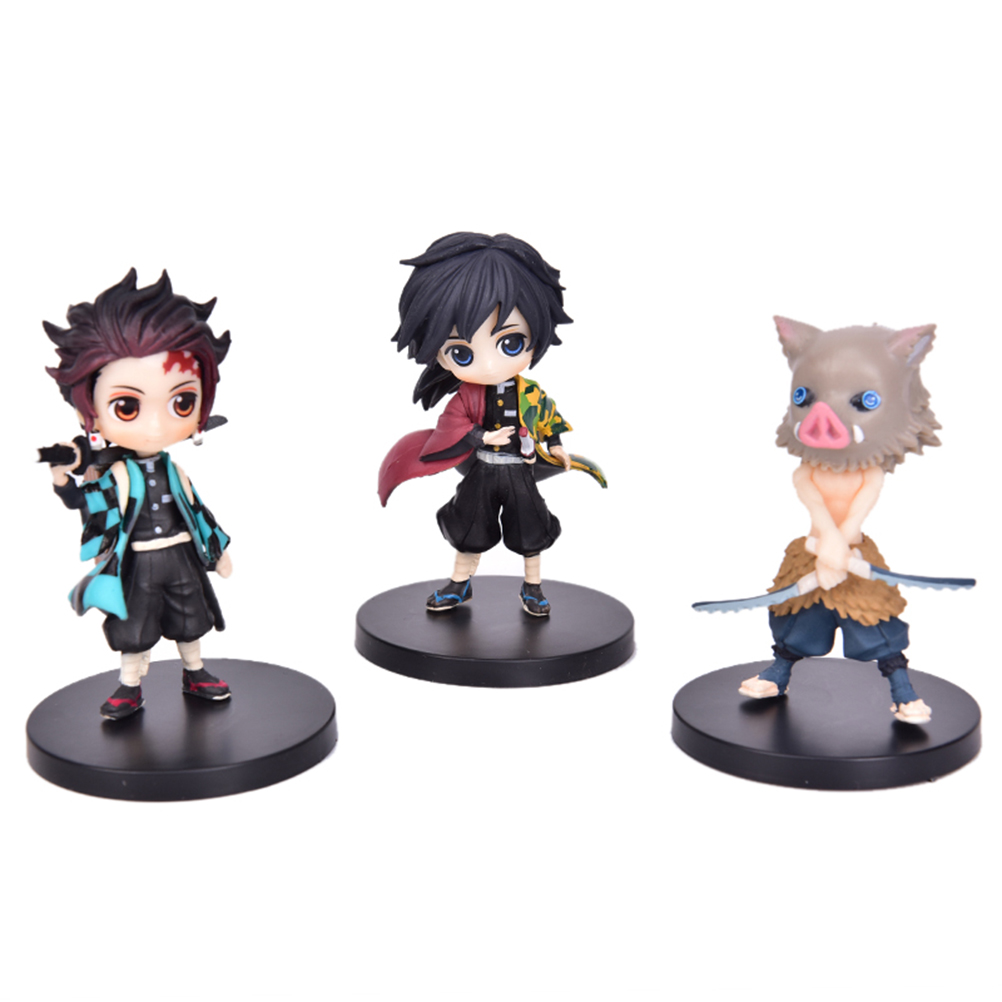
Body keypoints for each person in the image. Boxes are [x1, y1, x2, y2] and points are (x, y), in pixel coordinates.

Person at [378, 232, 605, 616]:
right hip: (483, 471)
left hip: (519, 471)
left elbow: (547, 415)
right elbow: (452, 422)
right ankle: (459, 584)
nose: (487, 365)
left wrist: (555, 444)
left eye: (510, 343)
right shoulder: (468, 396)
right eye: (461, 352)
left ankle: (532, 588)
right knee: (469, 529)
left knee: (530, 531)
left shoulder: (529, 392)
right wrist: (483, 435)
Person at [43, 269, 233, 720]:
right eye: (128, 406)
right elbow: (86, 504)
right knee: (134, 623)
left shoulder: (175, 471)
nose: (155, 425)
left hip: (181, 555)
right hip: (136, 560)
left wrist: (218, 549)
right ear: (89, 409)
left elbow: (198, 511)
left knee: (190, 615)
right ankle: (130, 685)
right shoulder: (113, 475)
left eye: (181, 403)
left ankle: (195, 671)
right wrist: (63, 479)